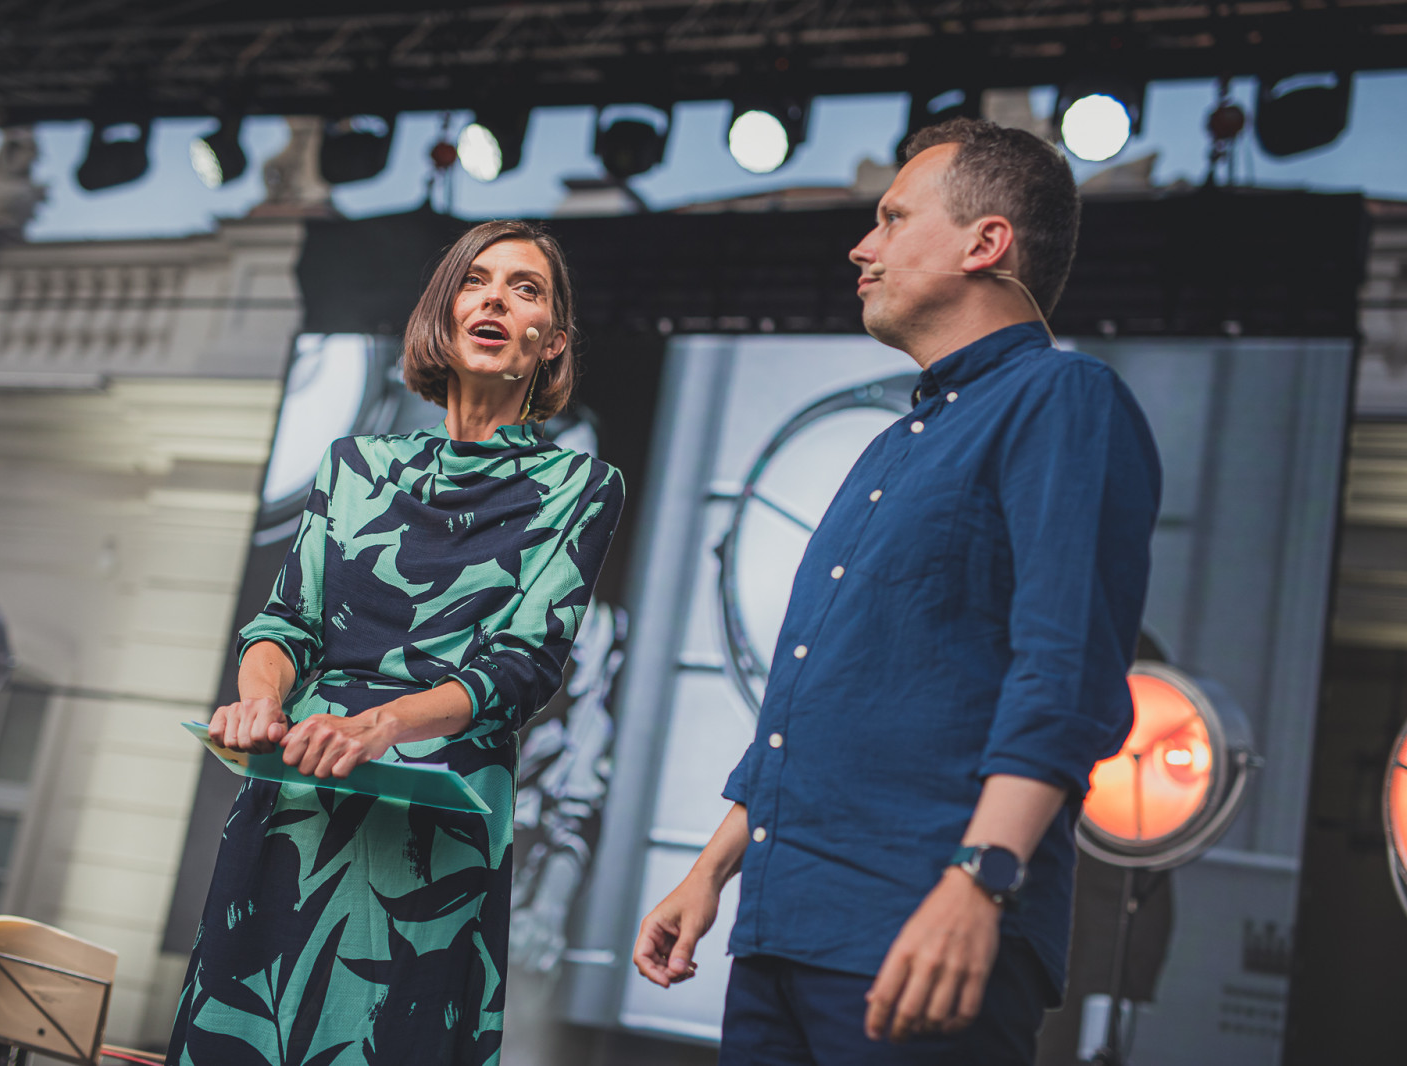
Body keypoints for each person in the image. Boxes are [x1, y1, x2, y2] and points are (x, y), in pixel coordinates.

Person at [632, 118, 1161, 1064]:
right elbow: (821, 695)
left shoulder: (1063, 398)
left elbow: (1067, 671)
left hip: (921, 925)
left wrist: (980, 881)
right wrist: (711, 869)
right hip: (779, 930)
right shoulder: (891, 445)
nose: (861, 246)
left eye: (892, 217)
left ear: (985, 243)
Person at [168, 220, 624, 1066]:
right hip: (301, 794)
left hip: (435, 828)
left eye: (525, 288)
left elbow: (521, 670)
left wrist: (379, 726)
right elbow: (285, 624)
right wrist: (259, 703)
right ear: (443, 316)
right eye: (475, 281)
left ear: (552, 342)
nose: (495, 299)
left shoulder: (580, 485)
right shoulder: (353, 465)